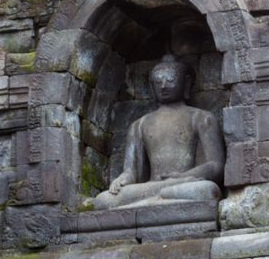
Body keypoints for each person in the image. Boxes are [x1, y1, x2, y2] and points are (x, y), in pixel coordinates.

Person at [92, 55, 224, 209]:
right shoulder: (139, 125)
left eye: (170, 80)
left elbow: (216, 166)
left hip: (184, 183)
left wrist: (183, 177)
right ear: (151, 86)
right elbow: (132, 172)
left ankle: (155, 200)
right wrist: (122, 180)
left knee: (206, 190)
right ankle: (161, 198)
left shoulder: (201, 118)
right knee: (102, 201)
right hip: (150, 187)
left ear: (186, 83)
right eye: (158, 81)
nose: (163, 86)